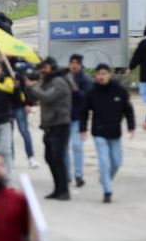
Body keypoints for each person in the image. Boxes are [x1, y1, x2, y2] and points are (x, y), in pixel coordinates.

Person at [80, 64, 135, 203]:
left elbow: (128, 109)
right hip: (99, 132)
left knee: (116, 162)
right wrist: (83, 128)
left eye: (104, 73)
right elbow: (84, 111)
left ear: (110, 74)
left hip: (115, 132)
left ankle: (104, 179)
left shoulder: (119, 91)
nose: (101, 76)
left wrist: (131, 126)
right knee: (104, 162)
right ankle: (107, 191)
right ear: (96, 76)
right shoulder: (91, 92)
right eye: (99, 74)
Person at [26, 57, 72, 200]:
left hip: (60, 124)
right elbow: (35, 99)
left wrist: (33, 86)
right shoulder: (47, 81)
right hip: (50, 125)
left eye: (44, 68)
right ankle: (58, 189)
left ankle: (64, 190)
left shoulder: (58, 81)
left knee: (57, 158)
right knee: (50, 157)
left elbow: (47, 97)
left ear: (51, 67)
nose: (42, 71)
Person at [65, 54, 93, 187]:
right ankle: (66, 176)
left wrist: (76, 91)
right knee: (63, 148)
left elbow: (87, 100)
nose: (74, 65)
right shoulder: (64, 78)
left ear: (81, 65)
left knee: (77, 146)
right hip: (63, 118)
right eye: (72, 62)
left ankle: (78, 175)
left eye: (77, 63)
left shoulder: (85, 80)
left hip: (78, 118)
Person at [128, 25, 146, 105]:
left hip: (145, 76)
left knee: (144, 94)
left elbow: (137, 57)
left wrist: (130, 67)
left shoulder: (144, 43)